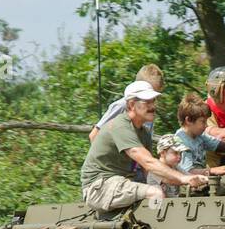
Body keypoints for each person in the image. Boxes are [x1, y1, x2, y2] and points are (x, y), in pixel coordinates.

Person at [80, 80, 207, 215]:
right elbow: (148, 162)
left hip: (121, 183)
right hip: (99, 187)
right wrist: (183, 178)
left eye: (153, 101)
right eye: (147, 102)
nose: (153, 106)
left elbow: (149, 171)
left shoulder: (143, 132)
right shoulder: (120, 126)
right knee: (154, 192)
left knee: (161, 190)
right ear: (131, 105)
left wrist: (189, 180)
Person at [88, 64, 165, 144]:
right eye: (148, 95)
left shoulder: (149, 112)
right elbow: (94, 135)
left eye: (154, 97)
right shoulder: (121, 106)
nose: (153, 103)